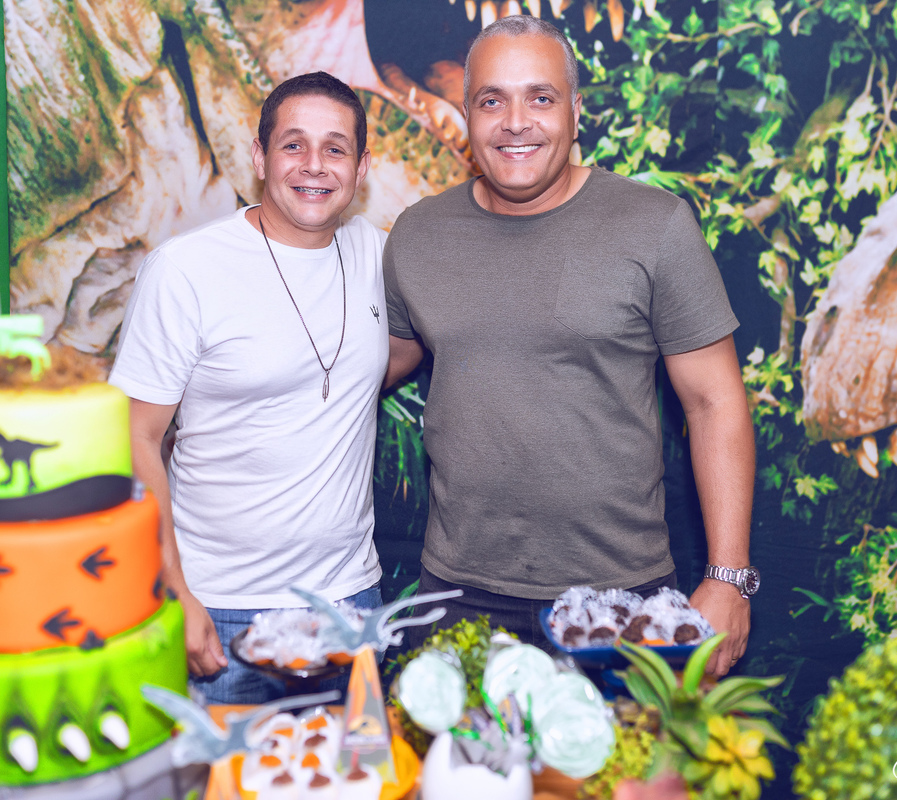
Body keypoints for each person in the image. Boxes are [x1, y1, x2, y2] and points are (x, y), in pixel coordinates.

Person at [383, 16, 755, 677]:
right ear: (466, 114)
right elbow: (376, 366)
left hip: (622, 599)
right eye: (491, 100)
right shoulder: (418, 234)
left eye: (540, 97)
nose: (515, 122)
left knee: (627, 753)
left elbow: (714, 403)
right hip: (459, 594)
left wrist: (728, 577)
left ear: (576, 110)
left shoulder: (656, 224)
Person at [109, 71, 388, 702]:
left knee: (354, 764)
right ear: (260, 158)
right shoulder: (186, 270)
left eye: (335, 148)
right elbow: (134, 435)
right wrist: (174, 589)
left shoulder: (376, 255)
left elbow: (394, 353)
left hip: (350, 603)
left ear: (362, 166)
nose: (314, 165)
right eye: (293, 145)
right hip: (220, 608)